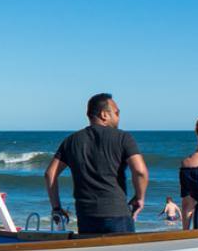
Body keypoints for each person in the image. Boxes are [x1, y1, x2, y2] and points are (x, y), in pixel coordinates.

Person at [44, 93, 149, 235]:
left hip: (86, 215)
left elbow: (50, 174)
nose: (119, 117)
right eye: (117, 113)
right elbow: (140, 171)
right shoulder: (123, 138)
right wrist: (139, 197)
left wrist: (56, 207)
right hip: (117, 214)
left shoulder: (71, 141)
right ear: (104, 114)